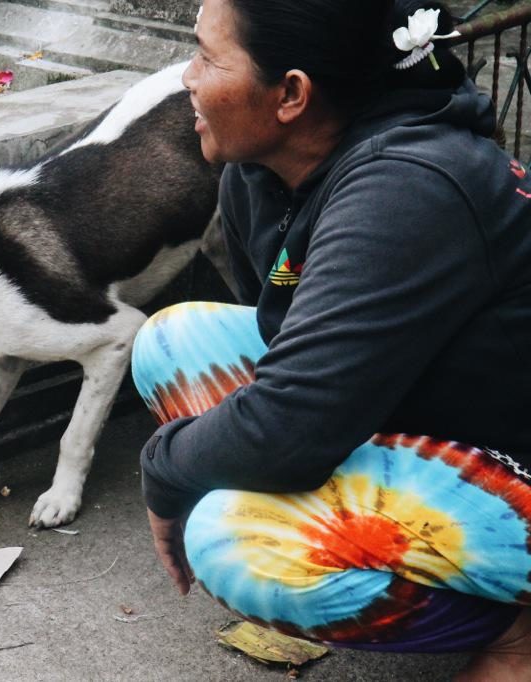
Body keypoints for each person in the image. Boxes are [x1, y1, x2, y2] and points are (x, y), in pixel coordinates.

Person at [131, 0, 531, 679]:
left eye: (207, 57)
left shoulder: (409, 190)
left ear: (291, 94)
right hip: (432, 411)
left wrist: (165, 471)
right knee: (170, 345)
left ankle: (521, 633)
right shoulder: (261, 168)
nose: (187, 79)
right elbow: (285, 347)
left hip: (516, 454)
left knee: (234, 544)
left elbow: (285, 424)